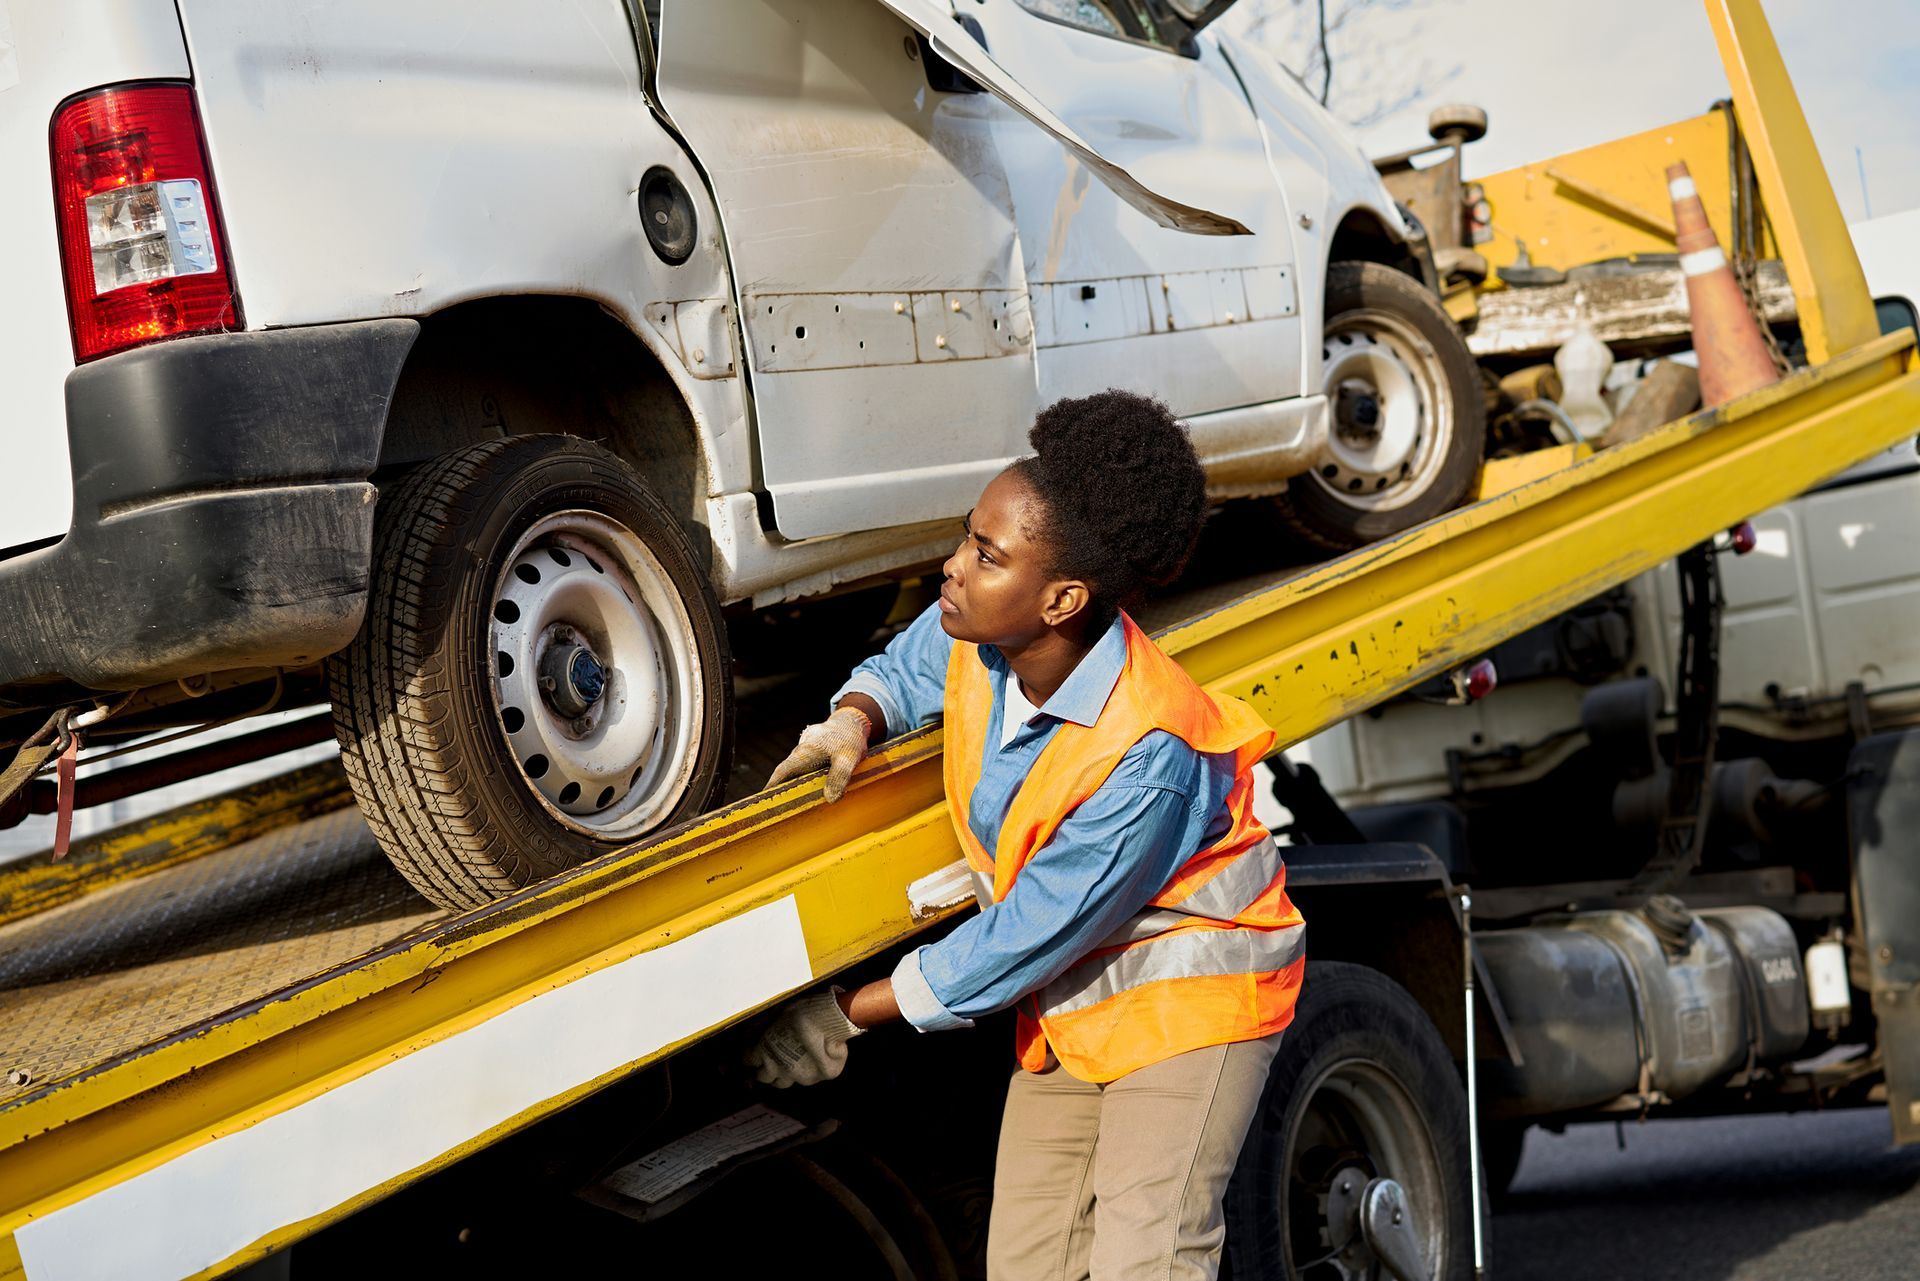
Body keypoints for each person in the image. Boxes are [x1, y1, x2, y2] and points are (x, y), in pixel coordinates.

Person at [748, 390, 1306, 1281]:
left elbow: (1025, 934)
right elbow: (904, 666)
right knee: (1027, 1266)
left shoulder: (1149, 752)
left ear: (1062, 598)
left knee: (1146, 1258)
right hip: (1078, 1003)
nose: (952, 568)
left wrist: (842, 1017)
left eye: (985, 554)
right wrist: (852, 717)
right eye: (969, 537)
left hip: (1195, 1004)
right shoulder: (980, 637)